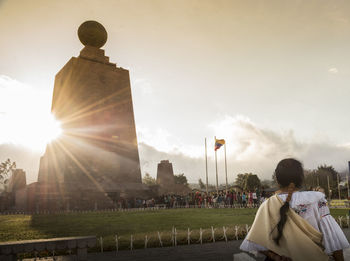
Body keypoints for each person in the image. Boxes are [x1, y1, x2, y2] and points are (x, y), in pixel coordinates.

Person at [240, 158, 349, 261]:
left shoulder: (267, 204)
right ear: (301, 179)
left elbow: (256, 241)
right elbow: (331, 237)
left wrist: (274, 257)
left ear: (277, 180)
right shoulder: (316, 199)